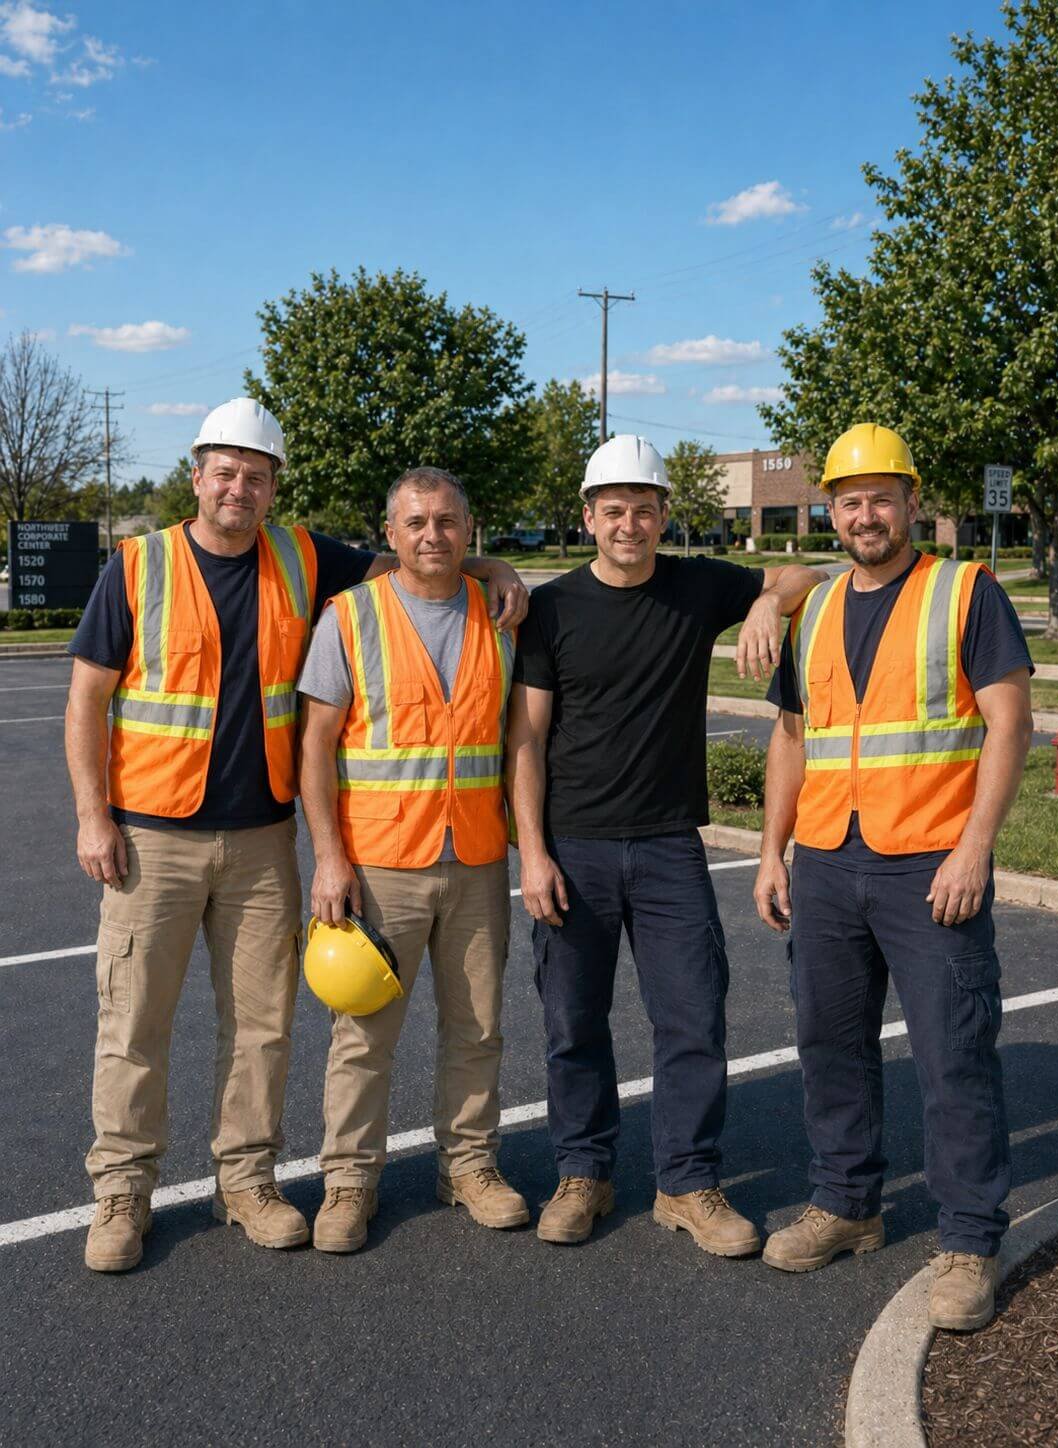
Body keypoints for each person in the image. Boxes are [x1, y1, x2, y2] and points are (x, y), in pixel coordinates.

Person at [65, 400, 527, 1273]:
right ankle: (121, 1194)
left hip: (262, 840)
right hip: (151, 838)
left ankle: (246, 1183)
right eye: (225, 471)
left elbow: (415, 557)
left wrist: (495, 562)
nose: (239, 486)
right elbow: (88, 696)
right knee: (134, 1024)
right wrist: (94, 814)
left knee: (263, 1027)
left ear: (275, 486)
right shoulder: (140, 564)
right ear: (196, 475)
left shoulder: (304, 556)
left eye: (256, 474)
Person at [506, 434, 824, 1251]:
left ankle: (687, 1183)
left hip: (669, 848)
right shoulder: (553, 609)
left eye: (644, 510)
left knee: (693, 1018)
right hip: (573, 845)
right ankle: (585, 1174)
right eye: (613, 510)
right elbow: (527, 740)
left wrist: (763, 602)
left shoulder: (699, 585)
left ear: (663, 516)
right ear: (589, 515)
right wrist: (531, 852)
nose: (629, 525)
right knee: (573, 1022)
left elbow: (805, 576)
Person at [754, 423, 1033, 1332]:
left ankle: (967, 1239)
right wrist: (771, 850)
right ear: (828, 510)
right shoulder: (821, 606)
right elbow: (793, 739)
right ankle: (847, 1205)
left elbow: (1009, 723)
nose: (864, 514)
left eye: (881, 497)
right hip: (830, 861)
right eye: (848, 499)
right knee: (830, 1045)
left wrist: (975, 845)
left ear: (913, 502)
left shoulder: (966, 592)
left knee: (953, 1054)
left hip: (930, 861)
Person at [297, 465, 527, 1253]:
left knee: (479, 1026)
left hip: (476, 858)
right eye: (417, 523)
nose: (434, 535)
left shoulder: (500, 614)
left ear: (470, 531)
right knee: (363, 1034)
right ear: (389, 536)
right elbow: (315, 747)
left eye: (448, 522)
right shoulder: (350, 617)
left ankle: (469, 1167)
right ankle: (348, 1184)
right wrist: (329, 859)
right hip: (377, 863)